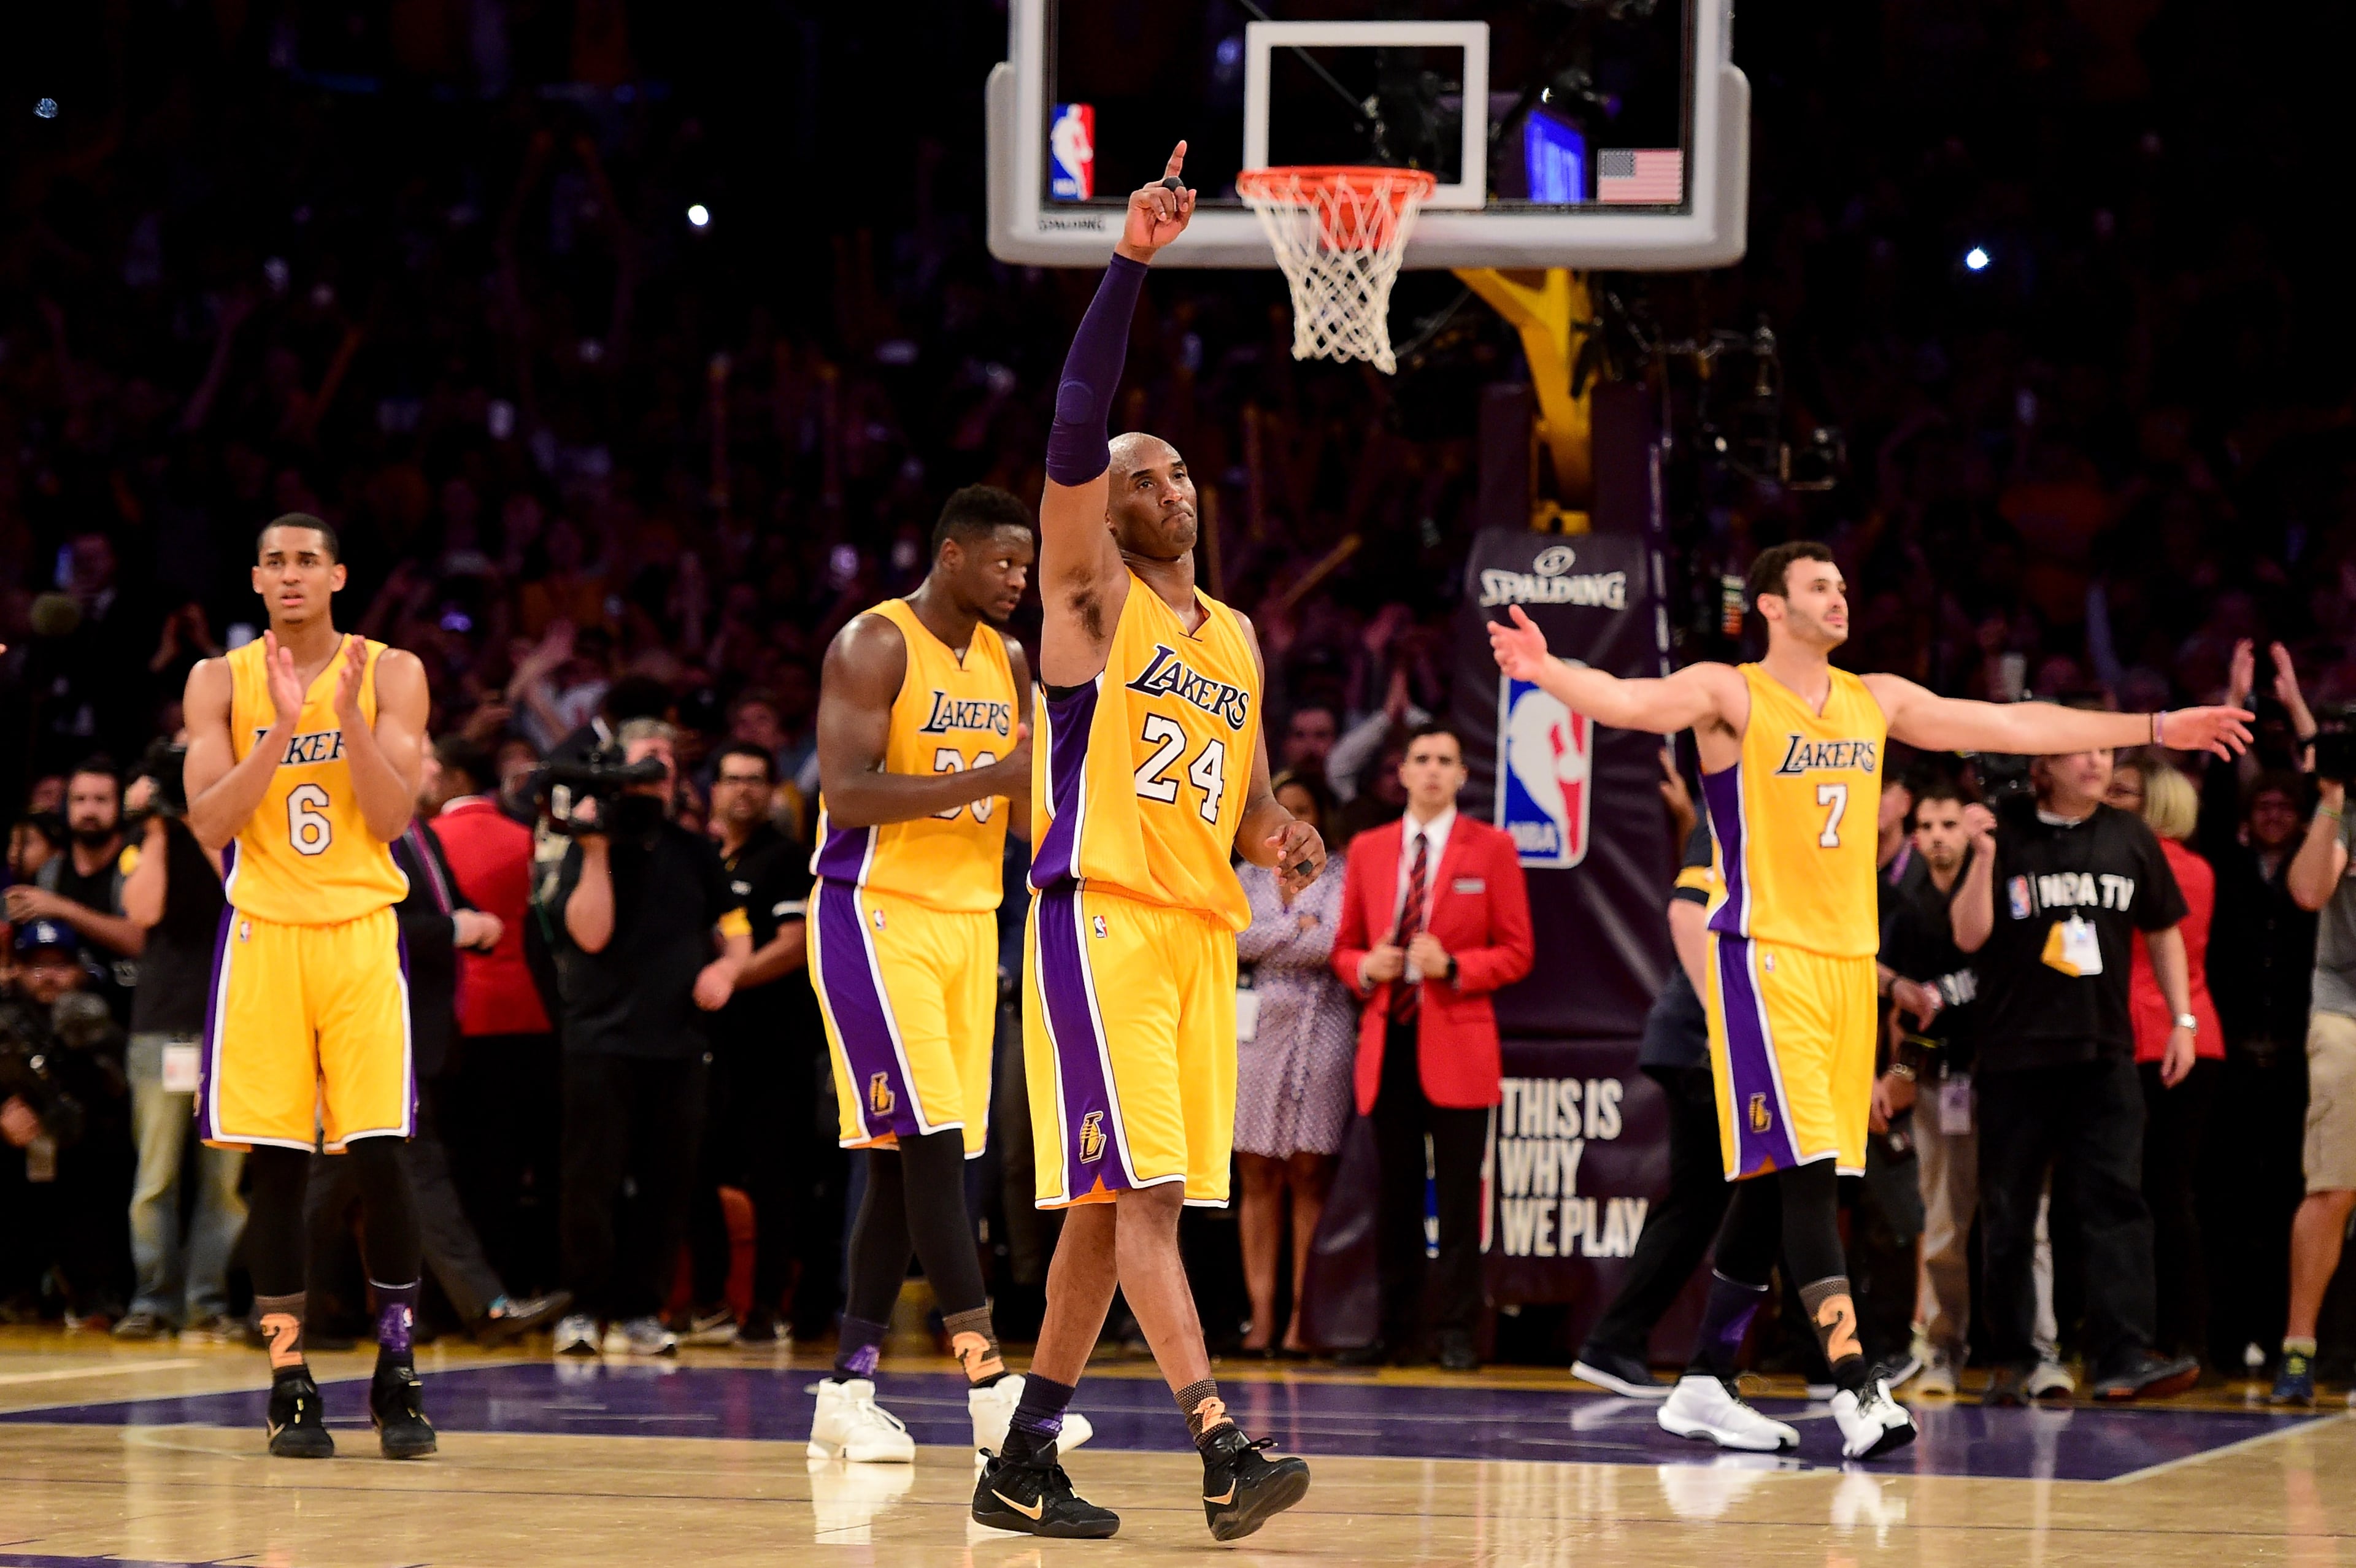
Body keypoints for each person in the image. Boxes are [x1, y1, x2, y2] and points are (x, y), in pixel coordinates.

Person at [1488, 539, 2251, 1459]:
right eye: (1819, 586)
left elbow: (2009, 724)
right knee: (1810, 1174)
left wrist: (2157, 726)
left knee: (1776, 1183)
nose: (1840, 597)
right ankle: (1856, 1388)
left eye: (1843, 584)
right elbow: (1628, 701)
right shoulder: (1731, 693)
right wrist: (1548, 672)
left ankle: (1706, 1380)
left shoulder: (1875, 698)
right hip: (1765, 959)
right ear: (1773, 606)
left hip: (1850, 969)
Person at [976, 147, 1323, 1545]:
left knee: (1102, 1211)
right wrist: (1128, 261)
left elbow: (1246, 803)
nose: (1168, 482)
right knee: (1151, 1199)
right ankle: (1221, 1444)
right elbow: (1075, 419)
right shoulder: (1084, 602)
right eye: (1143, 472)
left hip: (1196, 933)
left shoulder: (1232, 634)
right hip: (1099, 917)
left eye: (1179, 469)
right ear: (1104, 505)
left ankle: (1021, 1463)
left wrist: (1282, 834)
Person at [804, 484, 1055, 1462]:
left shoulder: (1012, 660)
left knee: (901, 1161)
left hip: (970, 922)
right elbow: (846, 793)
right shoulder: (874, 643)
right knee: (936, 1151)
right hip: (874, 913)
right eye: (1003, 563)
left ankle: (846, 1392)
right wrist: (989, 777)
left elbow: (1024, 810)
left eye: (1027, 566)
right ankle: (990, 1387)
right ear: (952, 556)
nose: (1019, 580)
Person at [179, 513, 435, 1459]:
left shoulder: (392, 671)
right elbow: (210, 823)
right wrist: (283, 729)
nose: (291, 575)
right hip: (265, 939)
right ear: (256, 579)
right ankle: (289, 1379)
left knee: (380, 1156)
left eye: (307, 561)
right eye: (276, 562)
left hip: (361, 933)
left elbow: (394, 816)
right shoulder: (219, 680)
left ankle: (397, 1372)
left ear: (337, 576)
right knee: (279, 1167)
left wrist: (343, 720)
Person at [1951, 723, 2204, 1404]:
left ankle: (2121, 1356)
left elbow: (2163, 930)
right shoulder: (2003, 827)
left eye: (2105, 750)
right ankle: (2012, 1360)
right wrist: (1981, 856)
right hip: (2016, 1053)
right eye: (2080, 749)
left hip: (2104, 1053)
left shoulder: (2130, 835)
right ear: (2043, 763)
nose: (2097, 761)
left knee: (2117, 1205)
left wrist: (2182, 1021)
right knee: (2009, 1214)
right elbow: (1968, 935)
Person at [304, 744, 571, 1347]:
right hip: (370, 1029)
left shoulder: (417, 832)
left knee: (335, 1180)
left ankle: (273, 1305)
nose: (434, 769)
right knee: (400, 1175)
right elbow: (361, 925)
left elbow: (449, 904)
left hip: (411, 1032)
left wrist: (472, 925)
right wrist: (455, 929)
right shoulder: (364, 832)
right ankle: (486, 1308)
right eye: (422, 756)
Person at [1331, 724, 1533, 1371]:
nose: (1433, 770)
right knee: (1392, 1198)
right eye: (1422, 759)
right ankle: (1394, 1332)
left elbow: (1518, 951)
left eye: (1446, 760)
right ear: (1402, 772)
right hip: (1388, 1038)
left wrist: (1455, 967)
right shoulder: (1368, 849)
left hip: (1458, 1044)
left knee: (1457, 1200)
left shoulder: (1492, 847)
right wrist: (1367, 967)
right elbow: (1344, 949)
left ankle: (1456, 1333)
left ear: (1463, 775)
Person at [547, 719, 749, 1358]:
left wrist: (726, 969)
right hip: (600, 1041)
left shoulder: (694, 850)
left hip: (679, 1044)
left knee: (668, 1184)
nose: (658, 769)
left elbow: (736, 928)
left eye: (667, 758)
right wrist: (595, 849)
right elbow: (591, 935)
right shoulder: (589, 845)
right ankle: (585, 1308)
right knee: (592, 1182)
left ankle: (642, 1310)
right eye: (646, 757)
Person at [1880, 779, 2066, 1397]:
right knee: (1944, 1226)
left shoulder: (2005, 893)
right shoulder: (1906, 912)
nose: (1938, 837)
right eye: (1928, 827)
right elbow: (1902, 1012)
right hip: (1942, 1084)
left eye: (1949, 825)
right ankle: (1942, 1351)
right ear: (1915, 837)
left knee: (2029, 1223)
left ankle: (2041, 1352)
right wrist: (1901, 1073)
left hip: (2012, 1080)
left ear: (1973, 831)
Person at [1572, 821, 1731, 1397]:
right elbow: (1686, 913)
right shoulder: (1731, 809)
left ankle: (1616, 1343)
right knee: (1757, 1192)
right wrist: (1723, 1020)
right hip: (1702, 1043)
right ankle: (1834, 1360)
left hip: (1703, 1042)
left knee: (1709, 1199)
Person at [683, 741, 816, 1346]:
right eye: (733, 778)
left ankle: (769, 1309)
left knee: (773, 1178)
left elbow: (795, 942)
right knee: (697, 1171)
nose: (744, 789)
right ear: (713, 790)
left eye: (756, 780)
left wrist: (729, 976)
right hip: (711, 1044)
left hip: (774, 1044)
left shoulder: (785, 857)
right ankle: (711, 1302)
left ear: (772, 791)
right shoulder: (705, 858)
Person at [113, 751, 244, 1340]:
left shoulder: (237, 830)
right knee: (155, 1178)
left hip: (232, 1024)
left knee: (225, 1184)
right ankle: (153, 1301)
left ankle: (207, 1301)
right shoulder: (147, 840)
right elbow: (143, 911)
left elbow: (242, 891)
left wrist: (200, 820)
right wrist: (161, 827)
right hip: (163, 1024)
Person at [1231, 770, 1357, 1358]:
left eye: (1302, 810)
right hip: (1254, 1031)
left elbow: (1334, 943)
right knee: (1256, 1172)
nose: (1289, 823)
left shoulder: (1342, 873)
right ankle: (1260, 1318)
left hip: (1323, 1026)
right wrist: (1295, 929)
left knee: (1310, 1172)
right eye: (1282, 810)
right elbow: (1231, 939)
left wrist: (1273, 937)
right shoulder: (1244, 874)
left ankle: (1304, 1318)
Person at [429, 734, 559, 1293]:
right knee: (507, 1161)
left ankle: (455, 1294)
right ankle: (509, 1282)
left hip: (455, 1017)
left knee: (450, 1164)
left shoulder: (426, 840)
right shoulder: (524, 839)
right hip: (525, 1014)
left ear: (456, 779)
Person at [2116, 761, 2226, 1368]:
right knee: (2173, 1194)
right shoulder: (2200, 868)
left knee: (2147, 1196)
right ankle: (2183, 1335)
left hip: (2151, 1037)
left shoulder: (2140, 862)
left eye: (2124, 793)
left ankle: (2157, 1335)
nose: (2110, 800)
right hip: (2197, 1036)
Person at [2273, 752, 2356, 1404]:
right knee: (2332, 1186)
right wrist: (2331, 798)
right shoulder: (2346, 812)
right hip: (2345, 1010)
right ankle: (2299, 1350)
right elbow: (2307, 891)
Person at [4, 757, 145, 1024]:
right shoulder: (50, 872)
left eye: (101, 800)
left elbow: (141, 941)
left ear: (121, 806)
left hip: (128, 1010)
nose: (89, 811)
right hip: (58, 1016)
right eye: (80, 800)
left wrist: (63, 909)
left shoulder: (136, 865)